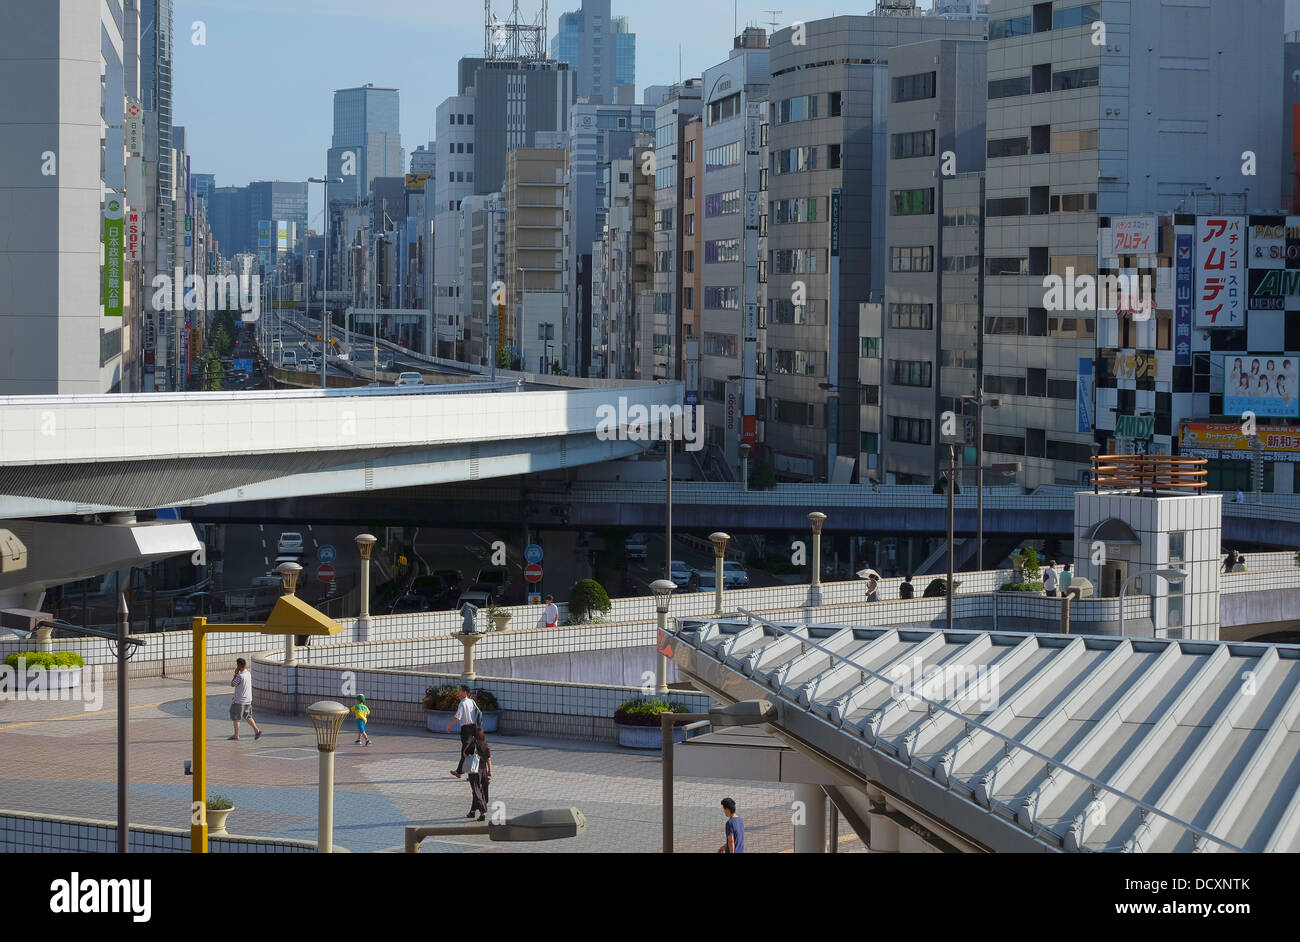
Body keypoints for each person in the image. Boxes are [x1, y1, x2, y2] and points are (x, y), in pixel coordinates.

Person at [447, 685, 481, 778]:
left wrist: (449, 724)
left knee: (465, 751)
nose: (458, 692)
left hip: (466, 729)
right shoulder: (472, 702)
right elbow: (478, 713)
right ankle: (464, 772)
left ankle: (468, 773)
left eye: (460, 691)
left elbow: (457, 716)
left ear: (465, 692)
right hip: (474, 728)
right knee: (470, 751)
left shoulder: (462, 703)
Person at [228, 658, 262, 741]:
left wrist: (235, 674)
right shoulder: (248, 673)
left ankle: (236, 735)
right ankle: (256, 730)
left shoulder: (240, 676)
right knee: (247, 716)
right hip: (248, 699)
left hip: (240, 701)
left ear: (239, 666)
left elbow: (232, 684)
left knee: (236, 717)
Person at [466, 727, 493, 822]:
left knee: (477, 791)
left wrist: (469, 743)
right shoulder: (486, 745)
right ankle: (472, 811)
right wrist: (490, 771)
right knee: (479, 791)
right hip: (484, 770)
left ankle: (483, 812)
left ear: (474, 736)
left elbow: (465, 754)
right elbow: (489, 759)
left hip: (474, 772)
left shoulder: (473, 746)